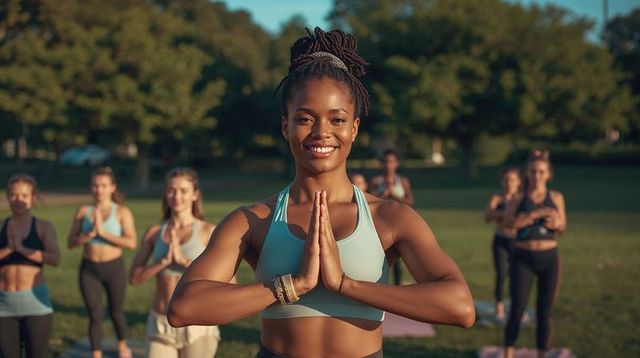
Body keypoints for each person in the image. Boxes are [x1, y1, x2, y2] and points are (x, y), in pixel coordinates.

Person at [167, 27, 474, 358]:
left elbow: (459, 307)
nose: (322, 132)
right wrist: (292, 286)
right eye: (305, 119)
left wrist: (345, 284)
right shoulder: (254, 220)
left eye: (337, 119)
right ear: (285, 126)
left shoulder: (390, 218)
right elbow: (185, 307)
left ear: (354, 128)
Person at [129, 168, 220, 357]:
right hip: (161, 323)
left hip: (197, 323)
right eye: (171, 190)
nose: (176, 196)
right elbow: (134, 278)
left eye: (183, 190)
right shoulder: (154, 233)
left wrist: (184, 262)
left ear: (195, 194)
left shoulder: (208, 231)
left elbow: (229, 283)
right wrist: (164, 262)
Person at [67, 167, 137, 358]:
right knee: (94, 313)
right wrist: (88, 235)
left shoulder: (122, 212)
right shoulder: (83, 211)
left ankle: (122, 345)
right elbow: (70, 242)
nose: (99, 190)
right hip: (89, 269)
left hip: (113, 268)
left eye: (103, 186)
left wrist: (103, 233)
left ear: (112, 187)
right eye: (95, 185)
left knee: (116, 311)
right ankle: (95, 353)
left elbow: (131, 242)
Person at [503, 150, 566, 358]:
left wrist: (556, 223)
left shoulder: (556, 197)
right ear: (527, 174)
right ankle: (509, 353)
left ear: (548, 174)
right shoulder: (518, 198)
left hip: (549, 259)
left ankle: (541, 354)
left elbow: (562, 227)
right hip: (523, 258)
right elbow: (509, 225)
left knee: (544, 311)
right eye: (533, 172)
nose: (537, 176)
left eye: (541, 172)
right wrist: (533, 215)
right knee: (517, 308)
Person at [0, 174, 59, 358]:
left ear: (33, 198)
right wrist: (8, 249)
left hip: (36, 306)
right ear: (8, 197)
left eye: (24, 196)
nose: (19, 200)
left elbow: (54, 258)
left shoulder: (43, 227)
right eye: (14, 195)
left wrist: (23, 249)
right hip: (4, 306)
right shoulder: (0, 226)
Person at [370, 149, 415, 285]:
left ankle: (397, 286)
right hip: (380, 223)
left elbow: (410, 201)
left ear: (396, 163)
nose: (388, 165)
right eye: (385, 162)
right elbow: (369, 199)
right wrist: (384, 194)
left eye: (391, 161)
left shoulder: (402, 180)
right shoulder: (376, 180)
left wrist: (393, 194)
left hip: (398, 223)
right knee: (381, 257)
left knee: (398, 258)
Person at [484, 167, 521, 321]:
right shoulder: (497, 199)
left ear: (518, 182)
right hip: (500, 241)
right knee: (500, 275)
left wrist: (502, 216)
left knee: (517, 276)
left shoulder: (521, 198)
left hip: (518, 242)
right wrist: (505, 215)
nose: (509, 183)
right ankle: (499, 309)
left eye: (512, 180)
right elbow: (487, 216)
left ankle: (517, 308)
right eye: (506, 179)